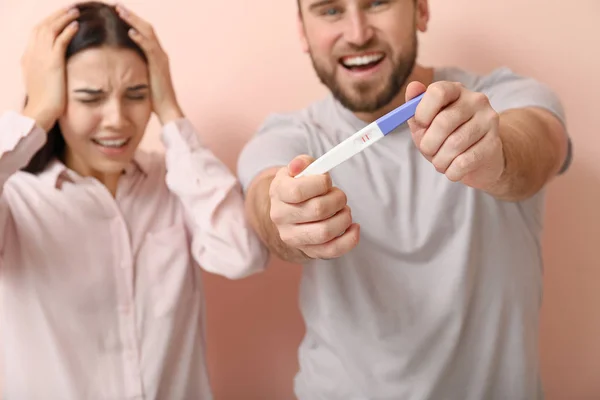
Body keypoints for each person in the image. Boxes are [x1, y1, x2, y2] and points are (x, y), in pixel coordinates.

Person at [237, 0, 572, 399]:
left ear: (421, 11)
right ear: (303, 30)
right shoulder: (287, 135)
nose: (357, 33)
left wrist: (496, 155)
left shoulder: (502, 99)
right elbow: (264, 198)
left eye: (377, 2)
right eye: (329, 10)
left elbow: (537, 144)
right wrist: (287, 216)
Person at [0, 2, 268, 398]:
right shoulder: (17, 200)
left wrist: (172, 112)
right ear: (56, 100)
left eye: (137, 94)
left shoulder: (176, 179)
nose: (117, 119)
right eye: (91, 98)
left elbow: (242, 254)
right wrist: (36, 112)